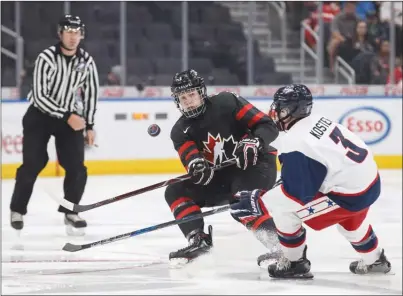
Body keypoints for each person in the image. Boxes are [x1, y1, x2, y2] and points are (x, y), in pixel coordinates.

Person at [230, 84, 392, 278]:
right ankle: (375, 260)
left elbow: (297, 195)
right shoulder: (318, 121)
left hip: (348, 195)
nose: (274, 112)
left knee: (284, 211)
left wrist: (260, 199)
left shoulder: (298, 142)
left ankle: (294, 263)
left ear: (290, 111)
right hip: (367, 182)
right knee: (351, 223)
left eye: (279, 108)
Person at [165, 69, 279, 264]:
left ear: (201, 92)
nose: (188, 101)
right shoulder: (179, 131)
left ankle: (280, 246)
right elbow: (190, 157)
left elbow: (267, 125)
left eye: (191, 94)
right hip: (222, 177)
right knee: (175, 190)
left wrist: (255, 141)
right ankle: (197, 239)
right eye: (183, 97)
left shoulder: (227, 102)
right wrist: (197, 166)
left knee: (242, 201)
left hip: (256, 165)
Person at [10, 14, 100, 236]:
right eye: (68, 32)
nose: (72, 37)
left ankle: (70, 210)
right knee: (33, 164)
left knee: (77, 168)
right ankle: (17, 209)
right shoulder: (46, 58)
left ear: (81, 35)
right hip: (39, 117)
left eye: (76, 32)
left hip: (69, 119)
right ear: (60, 34)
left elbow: (91, 94)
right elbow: (39, 96)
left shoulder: (86, 61)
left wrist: (89, 125)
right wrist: (68, 115)